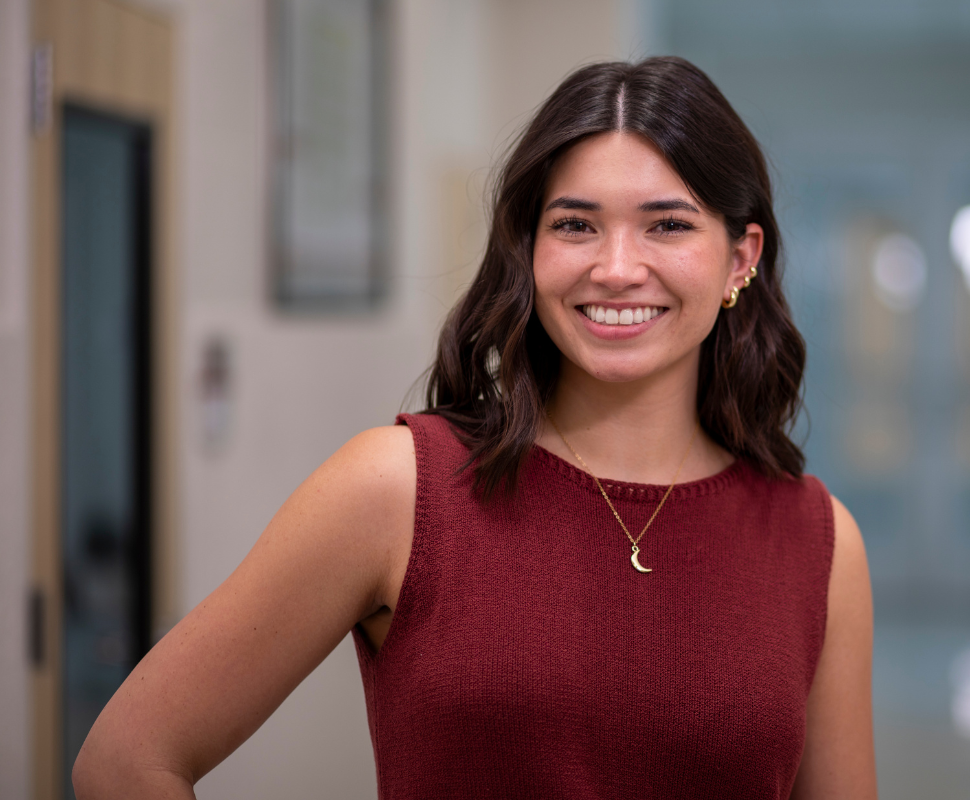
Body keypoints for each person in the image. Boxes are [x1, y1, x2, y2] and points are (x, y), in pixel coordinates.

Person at [73, 56, 876, 799]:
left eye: (667, 225)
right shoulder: (399, 490)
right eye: (575, 224)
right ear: (526, 249)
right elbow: (126, 759)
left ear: (741, 258)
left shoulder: (818, 542)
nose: (617, 267)